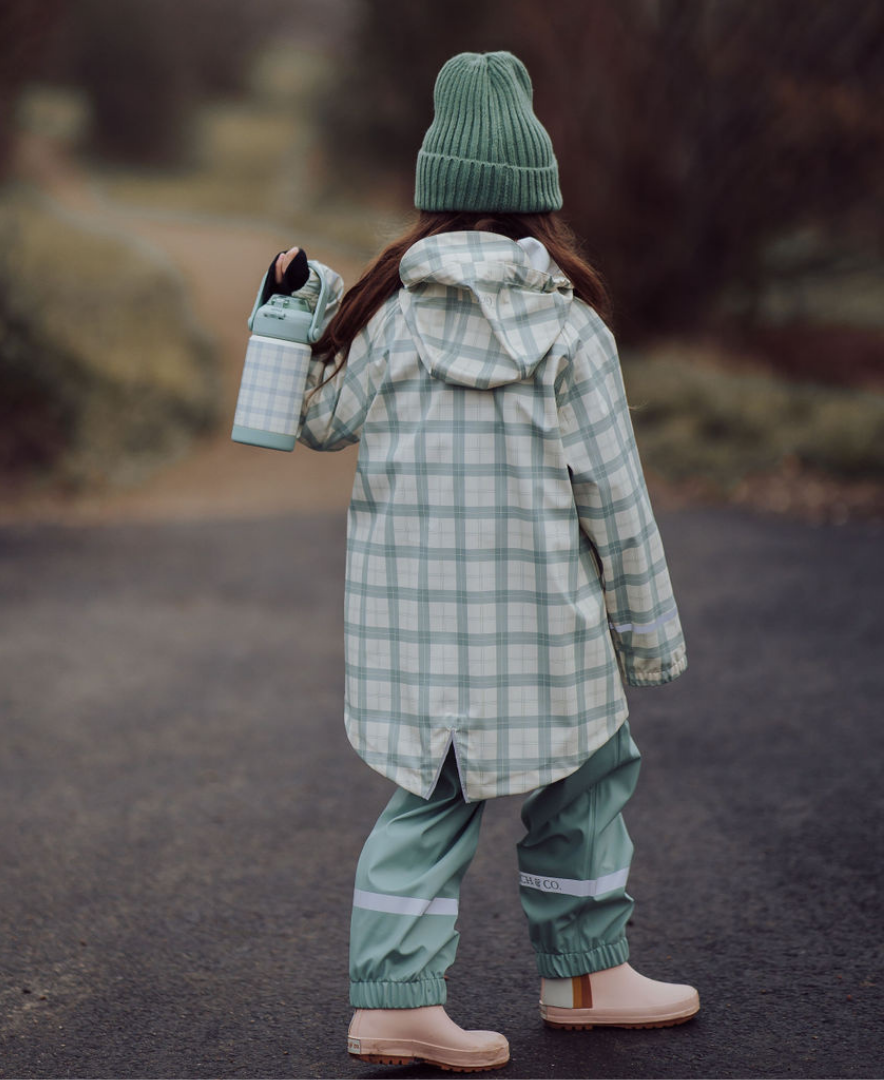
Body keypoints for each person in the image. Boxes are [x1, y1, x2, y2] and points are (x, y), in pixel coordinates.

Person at [269, 50, 696, 1072]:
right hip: (549, 638)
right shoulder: (571, 332)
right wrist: (648, 633)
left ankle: (396, 999)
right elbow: (617, 500)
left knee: (431, 802)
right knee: (590, 773)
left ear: (432, 201)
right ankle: (587, 973)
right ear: (539, 204)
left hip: (420, 637)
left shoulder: (390, 321)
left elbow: (316, 418)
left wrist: (299, 306)